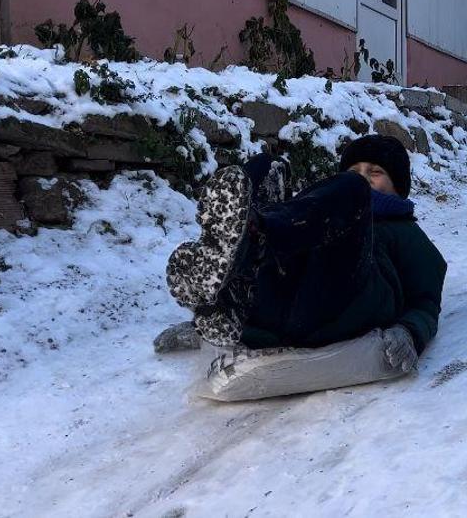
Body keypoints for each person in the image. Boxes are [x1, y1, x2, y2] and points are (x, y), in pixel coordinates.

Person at [166, 135, 446, 373]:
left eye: (374, 172)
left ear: (398, 185)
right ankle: (228, 292)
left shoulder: (404, 231)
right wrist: (201, 327)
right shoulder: (323, 213)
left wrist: (409, 332)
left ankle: (256, 234)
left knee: (349, 190)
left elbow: (426, 301)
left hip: (343, 305)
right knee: (267, 167)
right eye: (354, 169)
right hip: (290, 301)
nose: (362, 175)